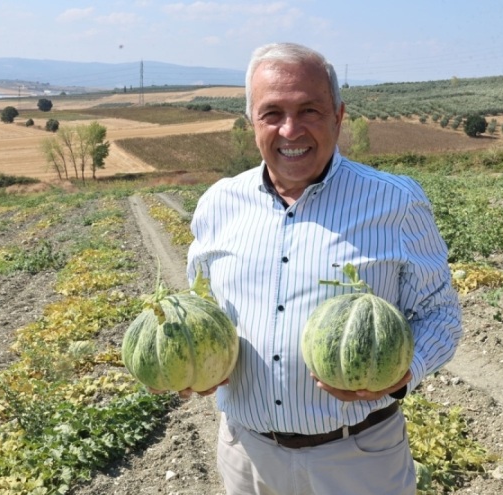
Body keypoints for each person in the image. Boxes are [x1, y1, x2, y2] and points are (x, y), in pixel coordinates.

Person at [185, 42, 463, 495]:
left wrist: (402, 371)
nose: (290, 130)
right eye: (272, 113)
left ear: (338, 115)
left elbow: (440, 314)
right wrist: (194, 365)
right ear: (251, 121)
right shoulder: (218, 204)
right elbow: (202, 310)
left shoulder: (396, 202)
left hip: (358, 458)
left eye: (310, 110)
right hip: (245, 452)